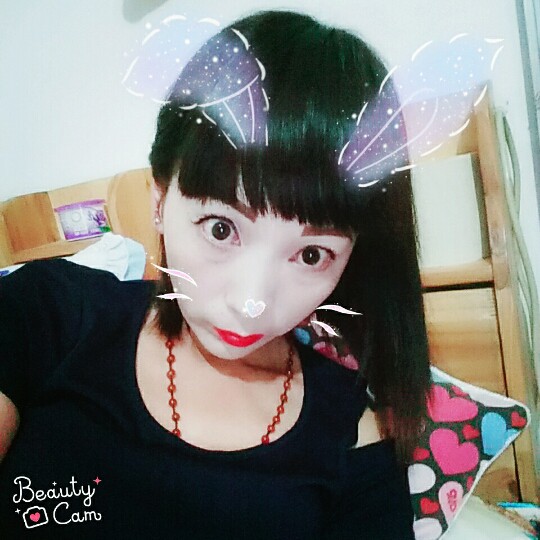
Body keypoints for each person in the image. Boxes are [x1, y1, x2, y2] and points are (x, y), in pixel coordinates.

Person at [0, 10, 431, 539]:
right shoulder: (50, 312)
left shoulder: (354, 432)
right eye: (221, 229)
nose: (252, 302)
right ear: (160, 199)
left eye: (312, 255)